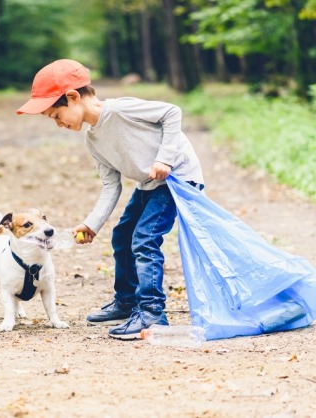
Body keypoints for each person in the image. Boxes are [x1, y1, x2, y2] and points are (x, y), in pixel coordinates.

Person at [16, 59, 205, 340]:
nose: (58, 124)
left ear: (73, 97)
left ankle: (152, 313)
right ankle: (127, 302)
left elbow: (171, 112)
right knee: (122, 235)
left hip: (177, 179)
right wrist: (91, 224)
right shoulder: (93, 140)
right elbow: (110, 185)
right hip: (149, 184)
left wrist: (165, 157)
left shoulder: (119, 110)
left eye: (56, 115)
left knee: (144, 238)